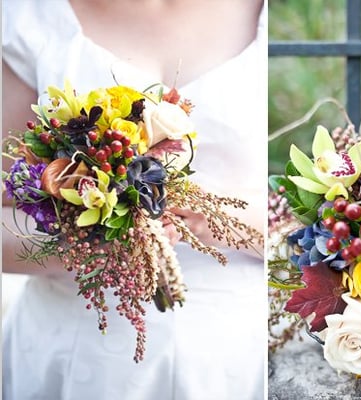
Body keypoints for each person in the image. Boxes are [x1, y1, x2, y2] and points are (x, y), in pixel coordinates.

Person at [2, 0, 267, 399]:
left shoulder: (265, 14)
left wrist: (201, 213)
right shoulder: (32, 14)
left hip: (236, 361)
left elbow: (302, 229)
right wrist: (86, 244)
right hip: (78, 359)